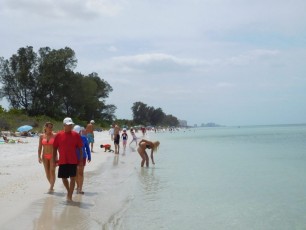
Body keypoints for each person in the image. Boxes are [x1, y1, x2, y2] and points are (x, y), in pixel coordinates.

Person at [53, 117, 83, 201]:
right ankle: (69, 190)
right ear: (64, 125)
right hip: (62, 160)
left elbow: (80, 148)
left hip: (73, 160)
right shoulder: (58, 135)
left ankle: (69, 196)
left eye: (71, 125)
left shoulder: (76, 135)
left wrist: (80, 160)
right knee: (64, 178)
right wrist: (54, 159)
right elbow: (54, 148)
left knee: (73, 178)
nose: (70, 126)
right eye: (69, 125)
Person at [38, 122, 56, 192]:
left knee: (52, 171)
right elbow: (40, 147)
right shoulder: (42, 136)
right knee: (47, 172)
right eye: (49, 127)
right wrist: (39, 156)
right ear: (45, 127)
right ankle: (51, 184)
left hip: (53, 156)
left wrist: (60, 155)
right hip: (44, 156)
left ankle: (51, 187)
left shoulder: (55, 135)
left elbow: (58, 146)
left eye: (51, 127)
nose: (50, 129)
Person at [73, 125, 91, 195]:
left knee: (80, 173)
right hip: (74, 158)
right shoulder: (72, 138)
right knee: (75, 173)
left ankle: (80, 188)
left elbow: (87, 148)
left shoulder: (84, 138)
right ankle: (78, 185)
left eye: (78, 132)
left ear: (80, 131)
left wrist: (89, 156)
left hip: (82, 157)